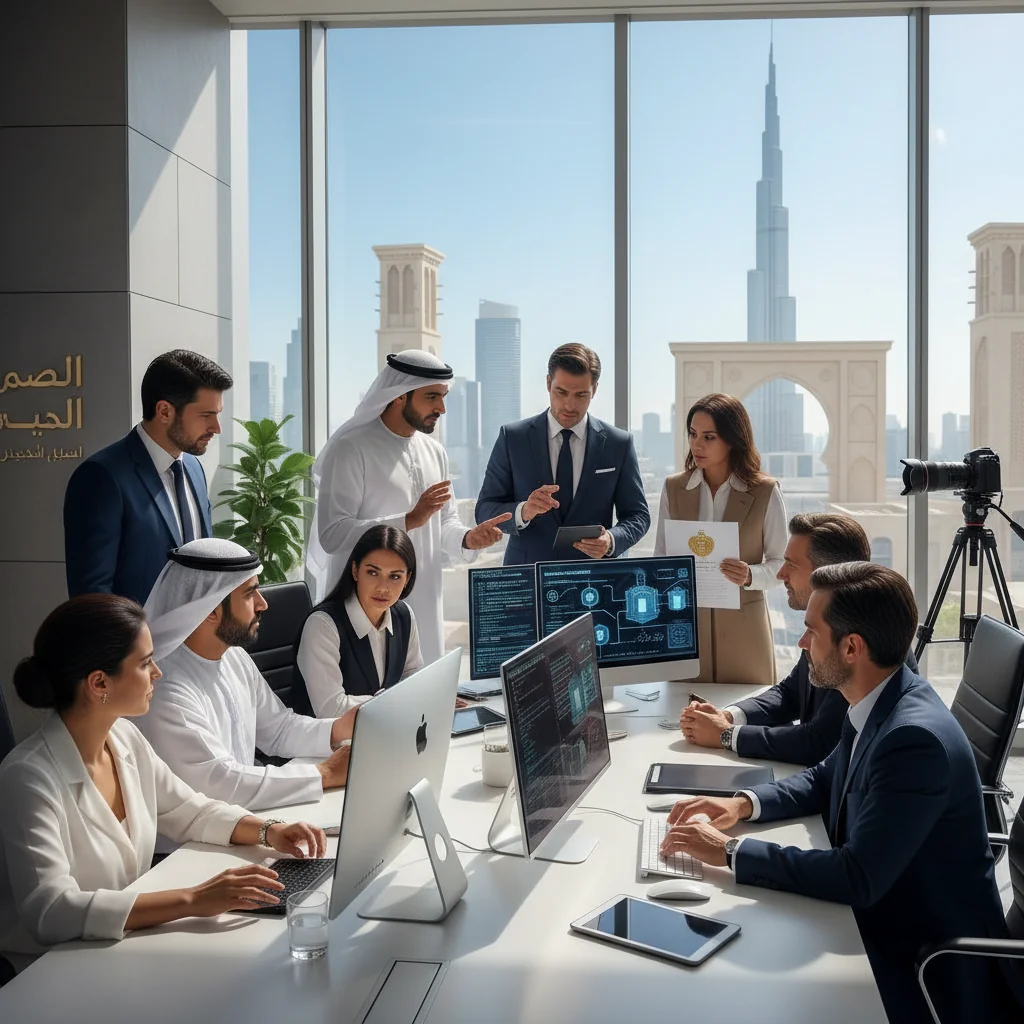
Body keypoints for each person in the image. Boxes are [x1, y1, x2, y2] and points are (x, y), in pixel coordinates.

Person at [660, 563, 1015, 1024]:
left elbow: (856, 877)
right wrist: (741, 804)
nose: (803, 644)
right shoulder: (877, 697)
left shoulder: (913, 740)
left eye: (811, 631)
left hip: (924, 964)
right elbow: (825, 777)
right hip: (880, 922)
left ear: (852, 647)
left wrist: (729, 851)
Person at [0, 594, 325, 974]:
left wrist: (270, 830)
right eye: (144, 663)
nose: (158, 672)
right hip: (50, 973)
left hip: (121, 954)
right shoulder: (28, 777)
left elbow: (188, 811)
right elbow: (51, 910)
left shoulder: (124, 738)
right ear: (99, 682)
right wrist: (193, 899)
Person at [308, 350, 510, 664]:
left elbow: (444, 523)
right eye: (432, 397)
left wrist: (469, 538)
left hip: (424, 605)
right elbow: (332, 535)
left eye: (443, 397)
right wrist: (408, 519)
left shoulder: (435, 453)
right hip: (367, 609)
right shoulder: (352, 449)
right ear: (399, 396)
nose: (441, 408)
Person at [680, 513, 917, 766]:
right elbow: (790, 693)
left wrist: (726, 736)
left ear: (828, 572)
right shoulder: (823, 626)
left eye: (791, 564)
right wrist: (728, 716)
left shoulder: (860, 640)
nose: (780, 574)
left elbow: (819, 742)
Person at [137, 540, 355, 812]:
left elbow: (277, 729)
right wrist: (324, 774)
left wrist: (341, 728)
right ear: (211, 610)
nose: (263, 604)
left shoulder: (233, 656)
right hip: (188, 848)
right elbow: (222, 783)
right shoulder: (165, 686)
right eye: (250, 593)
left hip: (242, 822)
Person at [63, 350, 232, 606]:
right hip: (140, 645)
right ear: (164, 411)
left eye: (218, 414)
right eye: (206, 416)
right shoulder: (102, 477)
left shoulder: (195, 470)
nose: (217, 428)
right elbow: (92, 598)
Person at [653, 393, 787, 684]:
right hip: (686, 630)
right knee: (682, 720)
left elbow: (782, 564)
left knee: (746, 718)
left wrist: (750, 574)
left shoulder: (764, 492)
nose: (697, 445)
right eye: (693, 434)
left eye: (709, 437)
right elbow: (661, 558)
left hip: (745, 634)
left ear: (732, 439)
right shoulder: (674, 488)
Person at [475, 343, 650, 564]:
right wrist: (524, 511)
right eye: (562, 392)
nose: (569, 405)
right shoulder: (513, 438)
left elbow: (638, 516)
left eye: (581, 395)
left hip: (593, 581)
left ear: (594, 390)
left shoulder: (618, 443)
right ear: (548, 384)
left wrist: (611, 540)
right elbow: (484, 510)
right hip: (528, 577)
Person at [297, 524, 423, 718]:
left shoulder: (404, 616)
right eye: (373, 573)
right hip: (327, 745)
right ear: (355, 571)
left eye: (395, 577)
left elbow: (413, 675)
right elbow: (331, 709)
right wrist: (392, 701)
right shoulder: (323, 625)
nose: (383, 587)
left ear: (407, 579)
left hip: (380, 736)